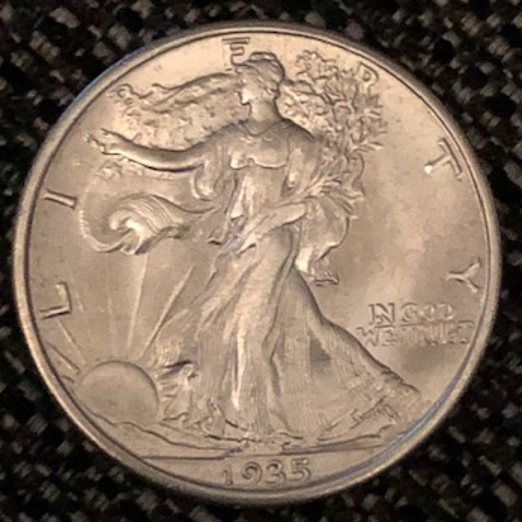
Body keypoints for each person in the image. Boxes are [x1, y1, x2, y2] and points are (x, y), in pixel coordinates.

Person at [96, 52, 421, 448]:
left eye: (246, 80)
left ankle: (254, 428)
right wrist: (125, 148)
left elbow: (324, 196)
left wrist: (277, 216)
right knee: (309, 326)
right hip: (239, 244)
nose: (241, 86)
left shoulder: (296, 141)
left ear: (264, 86)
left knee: (246, 334)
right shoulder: (231, 137)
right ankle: (391, 392)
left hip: (271, 243)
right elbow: (179, 160)